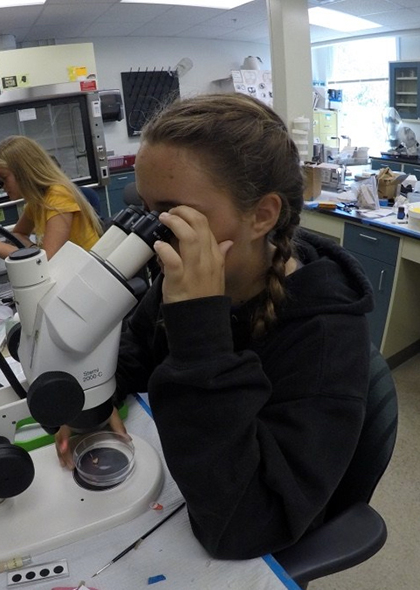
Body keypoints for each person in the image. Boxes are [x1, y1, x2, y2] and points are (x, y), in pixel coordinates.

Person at [56, 93, 373, 560]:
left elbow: (245, 526)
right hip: (188, 482)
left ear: (261, 215)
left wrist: (200, 330)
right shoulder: (180, 271)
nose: (155, 233)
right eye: (147, 210)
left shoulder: (326, 338)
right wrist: (98, 395)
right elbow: (138, 348)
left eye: (174, 214)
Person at [0, 136, 102, 260]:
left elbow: (46, 261)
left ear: (25, 172)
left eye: (4, 178)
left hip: (88, 274)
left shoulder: (58, 195)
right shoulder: (37, 202)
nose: (1, 186)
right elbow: (18, 235)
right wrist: (34, 250)